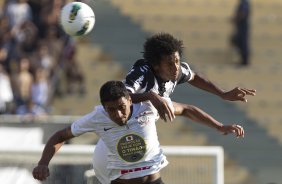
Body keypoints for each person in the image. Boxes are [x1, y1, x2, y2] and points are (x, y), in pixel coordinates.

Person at [93, 33, 256, 184]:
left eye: (177, 61)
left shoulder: (172, 75)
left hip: (132, 153)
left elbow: (191, 88)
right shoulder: (143, 74)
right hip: (112, 153)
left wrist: (222, 96)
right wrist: (151, 96)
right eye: (170, 64)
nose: (176, 67)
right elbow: (123, 95)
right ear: (156, 66)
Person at [32, 81, 244, 184]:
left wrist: (219, 126)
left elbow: (187, 109)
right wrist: (43, 162)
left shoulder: (149, 108)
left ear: (130, 100)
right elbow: (59, 136)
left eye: (121, 107)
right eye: (110, 109)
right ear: (103, 108)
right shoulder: (97, 117)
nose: (117, 113)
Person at [231, 0, 251, 66]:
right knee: (237, 41)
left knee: (242, 42)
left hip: (243, 26)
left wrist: (235, 19)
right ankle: (243, 60)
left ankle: (244, 61)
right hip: (241, 26)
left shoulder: (244, 2)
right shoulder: (243, 2)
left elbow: (243, 14)